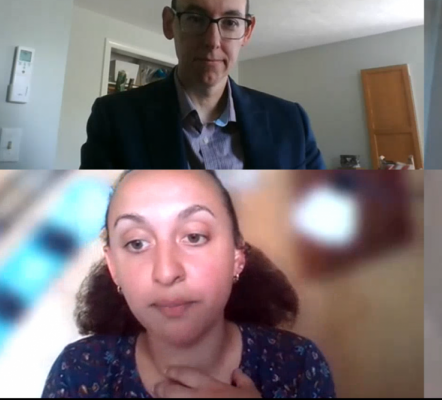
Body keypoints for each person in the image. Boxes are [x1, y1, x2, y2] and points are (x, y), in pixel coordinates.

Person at [41, 170, 336, 398]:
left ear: (237, 257)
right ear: (114, 268)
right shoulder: (79, 370)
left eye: (194, 236)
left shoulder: (298, 363)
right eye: (137, 243)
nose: (167, 272)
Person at [80, 0, 325, 170]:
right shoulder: (114, 119)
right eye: (196, 19)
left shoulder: (291, 123)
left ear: (247, 32)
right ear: (169, 24)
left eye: (230, 22)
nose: (212, 41)